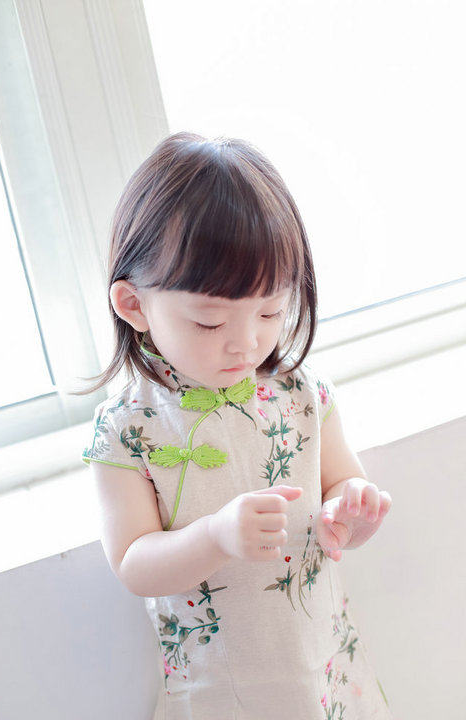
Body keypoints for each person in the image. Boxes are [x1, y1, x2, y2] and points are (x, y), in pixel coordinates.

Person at [74, 131, 393, 718]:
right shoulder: (128, 429)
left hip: (322, 667)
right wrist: (217, 536)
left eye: (271, 311)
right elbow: (133, 562)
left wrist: (352, 508)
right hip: (221, 688)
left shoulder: (300, 394)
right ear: (134, 305)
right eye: (209, 322)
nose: (246, 343)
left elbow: (340, 485)